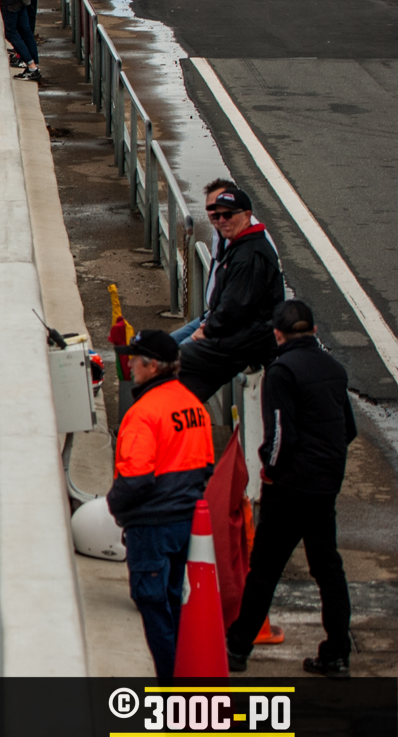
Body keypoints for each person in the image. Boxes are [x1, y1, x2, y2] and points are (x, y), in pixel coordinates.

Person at [227, 300, 356, 678]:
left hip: (289, 487)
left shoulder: (281, 372)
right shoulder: (334, 369)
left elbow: (280, 434)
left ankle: (237, 648)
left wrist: (270, 468)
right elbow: (347, 429)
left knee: (265, 569)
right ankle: (337, 652)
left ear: (278, 334)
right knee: (328, 569)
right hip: (324, 486)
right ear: (314, 331)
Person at [108, 329, 217, 680]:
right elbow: (207, 466)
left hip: (151, 527)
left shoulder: (143, 414)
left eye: (134, 360)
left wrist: (114, 505)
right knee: (174, 603)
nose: (130, 366)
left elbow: (135, 480)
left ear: (151, 366)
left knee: (152, 606)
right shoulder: (194, 406)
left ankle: (173, 690)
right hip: (186, 522)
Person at [179, 187, 286, 403]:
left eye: (228, 215)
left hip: (245, 342)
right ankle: (182, 415)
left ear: (247, 216)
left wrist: (206, 330)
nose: (222, 221)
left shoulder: (250, 255)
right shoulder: (240, 244)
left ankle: (173, 418)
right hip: (238, 336)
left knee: (168, 361)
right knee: (181, 382)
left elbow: (234, 308)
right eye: (217, 215)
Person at [172, 179, 280, 345]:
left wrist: (207, 330)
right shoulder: (223, 232)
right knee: (158, 347)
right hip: (214, 316)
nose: (219, 216)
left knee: (179, 355)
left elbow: (238, 308)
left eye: (225, 211)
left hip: (239, 332)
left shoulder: (252, 250)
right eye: (213, 209)